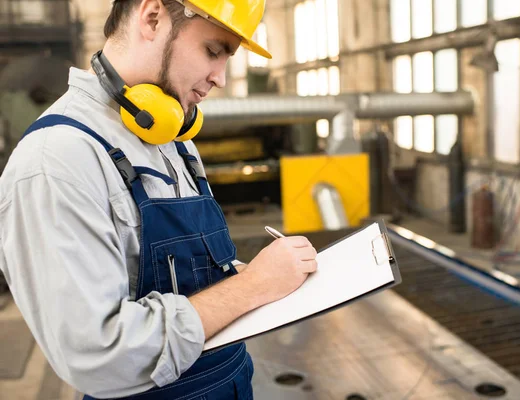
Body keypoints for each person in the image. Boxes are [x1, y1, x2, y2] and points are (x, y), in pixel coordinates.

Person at [0, 0, 318, 399]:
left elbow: (185, 275)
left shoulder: (170, 138)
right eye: (213, 51)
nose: (220, 78)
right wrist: (251, 287)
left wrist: (246, 275)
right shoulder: (56, 160)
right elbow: (100, 356)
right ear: (152, 18)